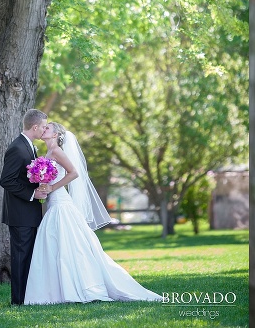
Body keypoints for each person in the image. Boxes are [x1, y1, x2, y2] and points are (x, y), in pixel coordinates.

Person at [24, 122, 162, 304]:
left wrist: (52, 187)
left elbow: (73, 173)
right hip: (52, 203)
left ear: (56, 134)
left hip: (61, 203)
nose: (44, 130)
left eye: (48, 128)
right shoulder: (47, 154)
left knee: (70, 246)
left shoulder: (57, 151)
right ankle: (56, 291)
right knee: (55, 245)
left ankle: (83, 286)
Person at [0, 108, 49, 306]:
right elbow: (7, 180)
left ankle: (27, 297)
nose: (45, 130)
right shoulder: (17, 148)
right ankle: (18, 301)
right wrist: (32, 194)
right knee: (20, 258)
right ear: (35, 127)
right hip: (20, 214)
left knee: (28, 257)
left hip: (28, 213)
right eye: (44, 127)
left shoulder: (30, 147)